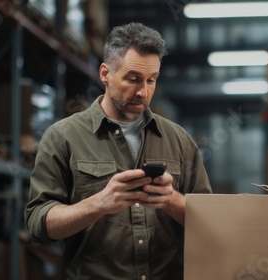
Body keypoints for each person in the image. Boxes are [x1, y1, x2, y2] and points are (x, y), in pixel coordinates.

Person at [24, 22, 212, 280]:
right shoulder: (62, 138)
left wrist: (171, 200)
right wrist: (98, 204)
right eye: (133, 79)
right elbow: (38, 223)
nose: (143, 92)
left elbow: (211, 221)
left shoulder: (179, 140)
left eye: (151, 80)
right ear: (105, 74)